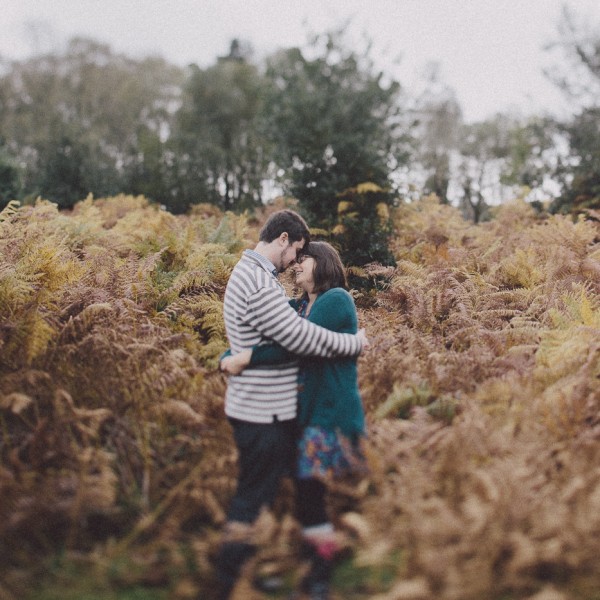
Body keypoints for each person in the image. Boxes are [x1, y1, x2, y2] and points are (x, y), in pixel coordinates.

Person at [217, 210, 367, 600]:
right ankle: (231, 577)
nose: (296, 263)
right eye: (296, 254)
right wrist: (238, 354)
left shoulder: (332, 301)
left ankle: (316, 572)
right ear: (282, 239)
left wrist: (243, 356)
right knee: (273, 495)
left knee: (305, 496)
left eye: (304, 257)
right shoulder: (283, 294)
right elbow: (286, 341)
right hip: (278, 415)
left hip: (322, 417)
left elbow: (291, 344)